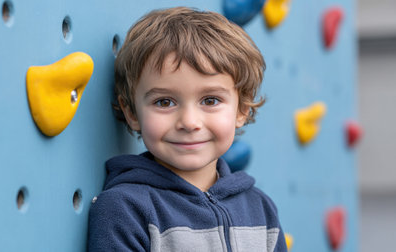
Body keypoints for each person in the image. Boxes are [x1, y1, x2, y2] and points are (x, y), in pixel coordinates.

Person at [87, 6, 287, 252]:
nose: (190, 122)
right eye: (164, 102)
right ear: (131, 113)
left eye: (210, 100)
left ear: (242, 109)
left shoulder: (261, 209)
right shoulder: (125, 209)